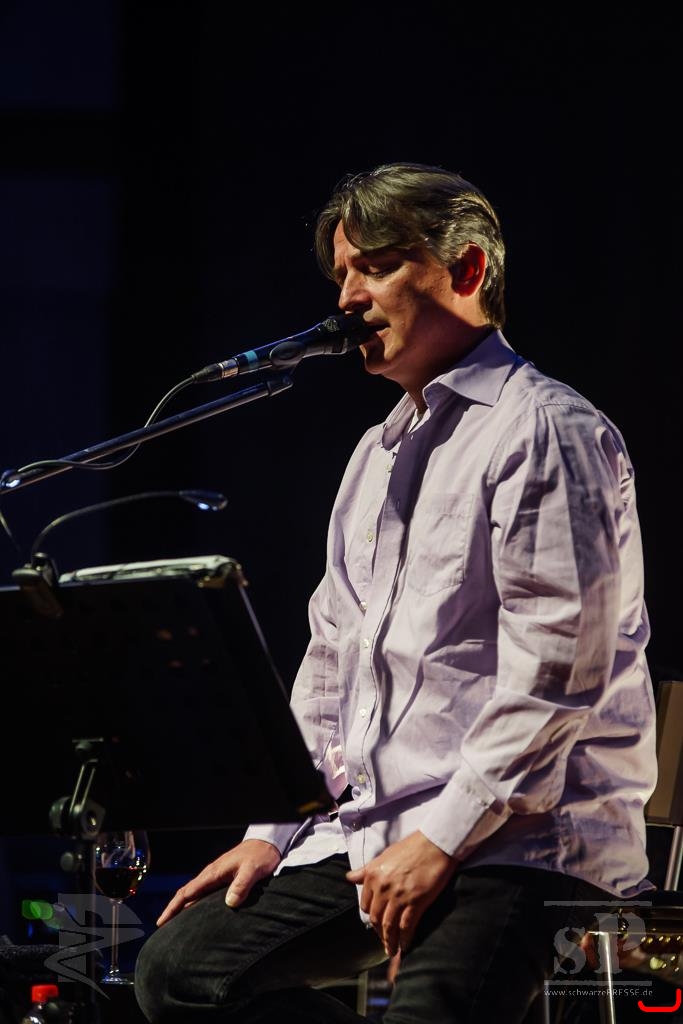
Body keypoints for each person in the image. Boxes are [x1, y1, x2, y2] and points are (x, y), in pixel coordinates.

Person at [134, 162, 658, 1023]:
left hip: (522, 845)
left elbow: (558, 675)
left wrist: (441, 839)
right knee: (177, 973)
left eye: (375, 267)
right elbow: (330, 664)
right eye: (341, 273)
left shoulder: (544, 428)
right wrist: (271, 834)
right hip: (376, 835)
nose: (347, 297)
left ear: (466, 270)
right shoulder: (375, 454)